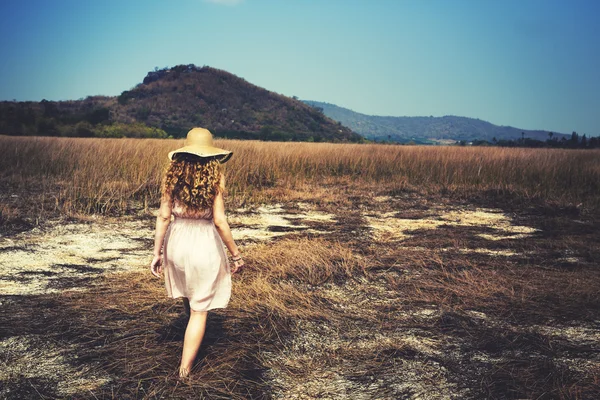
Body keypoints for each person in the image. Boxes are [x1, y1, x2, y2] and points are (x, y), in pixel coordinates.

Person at [150, 127, 244, 378]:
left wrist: (157, 252)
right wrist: (236, 254)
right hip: (203, 244)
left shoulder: (172, 179)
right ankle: (184, 371)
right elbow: (220, 222)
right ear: (211, 157)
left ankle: (190, 329)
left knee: (189, 294)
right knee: (200, 310)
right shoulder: (215, 181)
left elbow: (163, 216)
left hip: (176, 243)